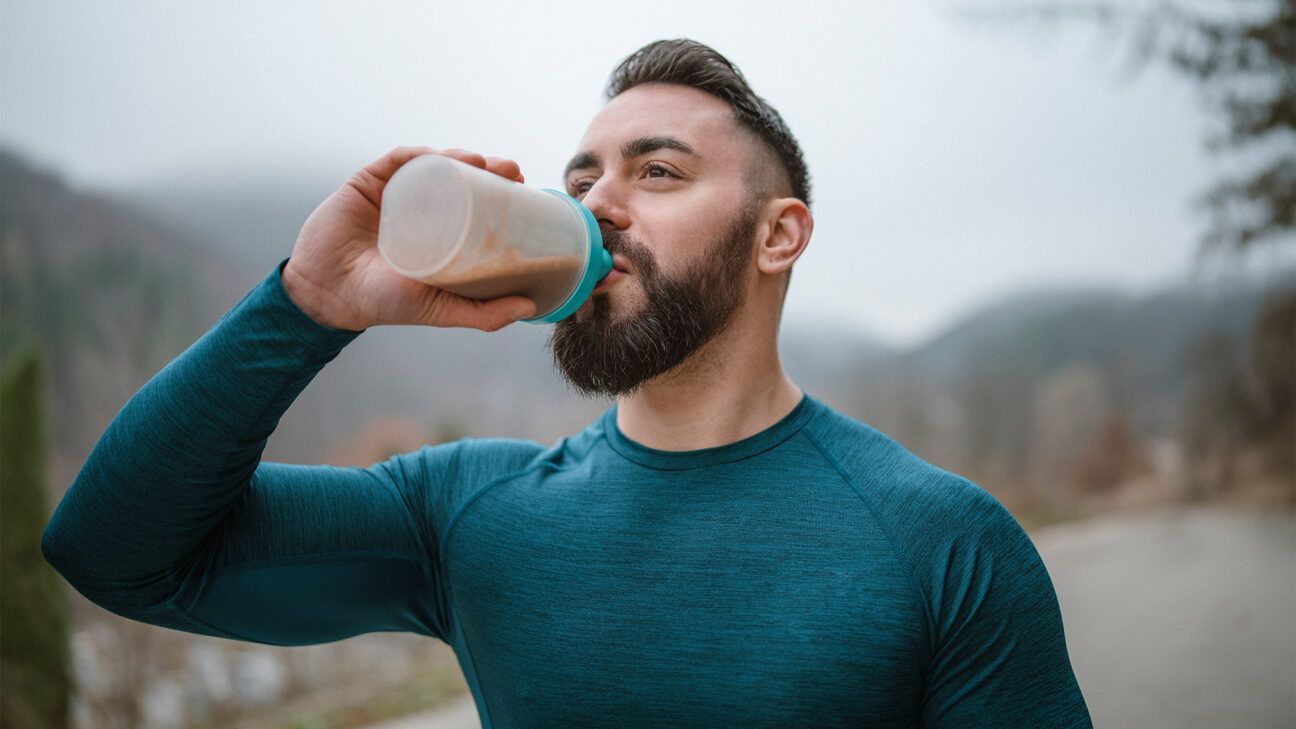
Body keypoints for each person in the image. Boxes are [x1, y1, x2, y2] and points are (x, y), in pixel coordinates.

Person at [42, 39, 1092, 728]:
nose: (597, 207)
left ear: (780, 236)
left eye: (659, 171)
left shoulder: (942, 543)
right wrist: (306, 303)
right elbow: (117, 552)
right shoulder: (466, 515)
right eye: (581, 179)